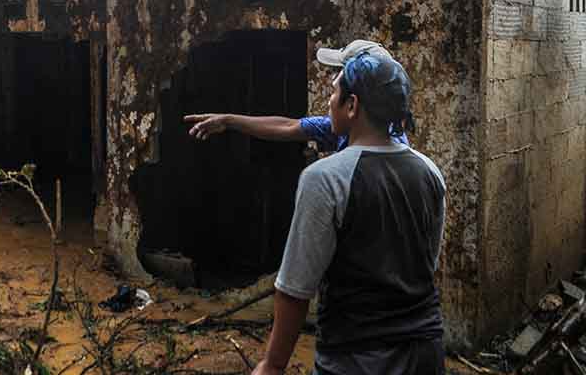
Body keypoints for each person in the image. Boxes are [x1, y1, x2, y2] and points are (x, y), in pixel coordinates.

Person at [253, 52, 445, 375]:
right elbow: (427, 263)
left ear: (352, 105)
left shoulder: (325, 179)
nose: (329, 101)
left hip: (355, 357)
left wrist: (272, 364)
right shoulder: (430, 172)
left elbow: (295, 289)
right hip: (425, 353)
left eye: (333, 92)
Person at [184, 39, 409, 152]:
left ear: (353, 101)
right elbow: (289, 126)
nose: (332, 91)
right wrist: (228, 120)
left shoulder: (335, 175)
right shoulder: (349, 131)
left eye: (341, 74)